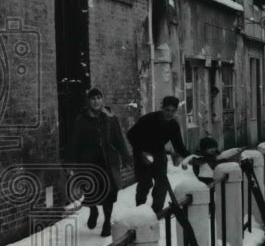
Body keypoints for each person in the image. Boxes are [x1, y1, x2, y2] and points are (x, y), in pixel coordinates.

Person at [66, 87, 130, 237]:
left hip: (108, 160)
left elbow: (119, 138)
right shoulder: (81, 119)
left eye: (98, 98)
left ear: (102, 100)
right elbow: (73, 142)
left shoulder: (110, 118)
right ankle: (93, 210)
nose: (96, 101)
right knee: (91, 191)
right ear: (88, 101)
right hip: (89, 162)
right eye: (93, 99)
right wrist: (70, 162)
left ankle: (107, 222)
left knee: (110, 193)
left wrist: (126, 157)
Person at [127, 96, 190, 215]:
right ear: (162, 108)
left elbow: (179, 146)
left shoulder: (173, 125)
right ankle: (139, 210)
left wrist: (190, 156)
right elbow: (131, 135)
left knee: (162, 183)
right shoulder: (148, 119)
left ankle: (156, 212)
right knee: (145, 183)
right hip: (142, 153)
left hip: (159, 153)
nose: (169, 114)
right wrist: (141, 152)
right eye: (167, 110)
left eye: (173, 111)